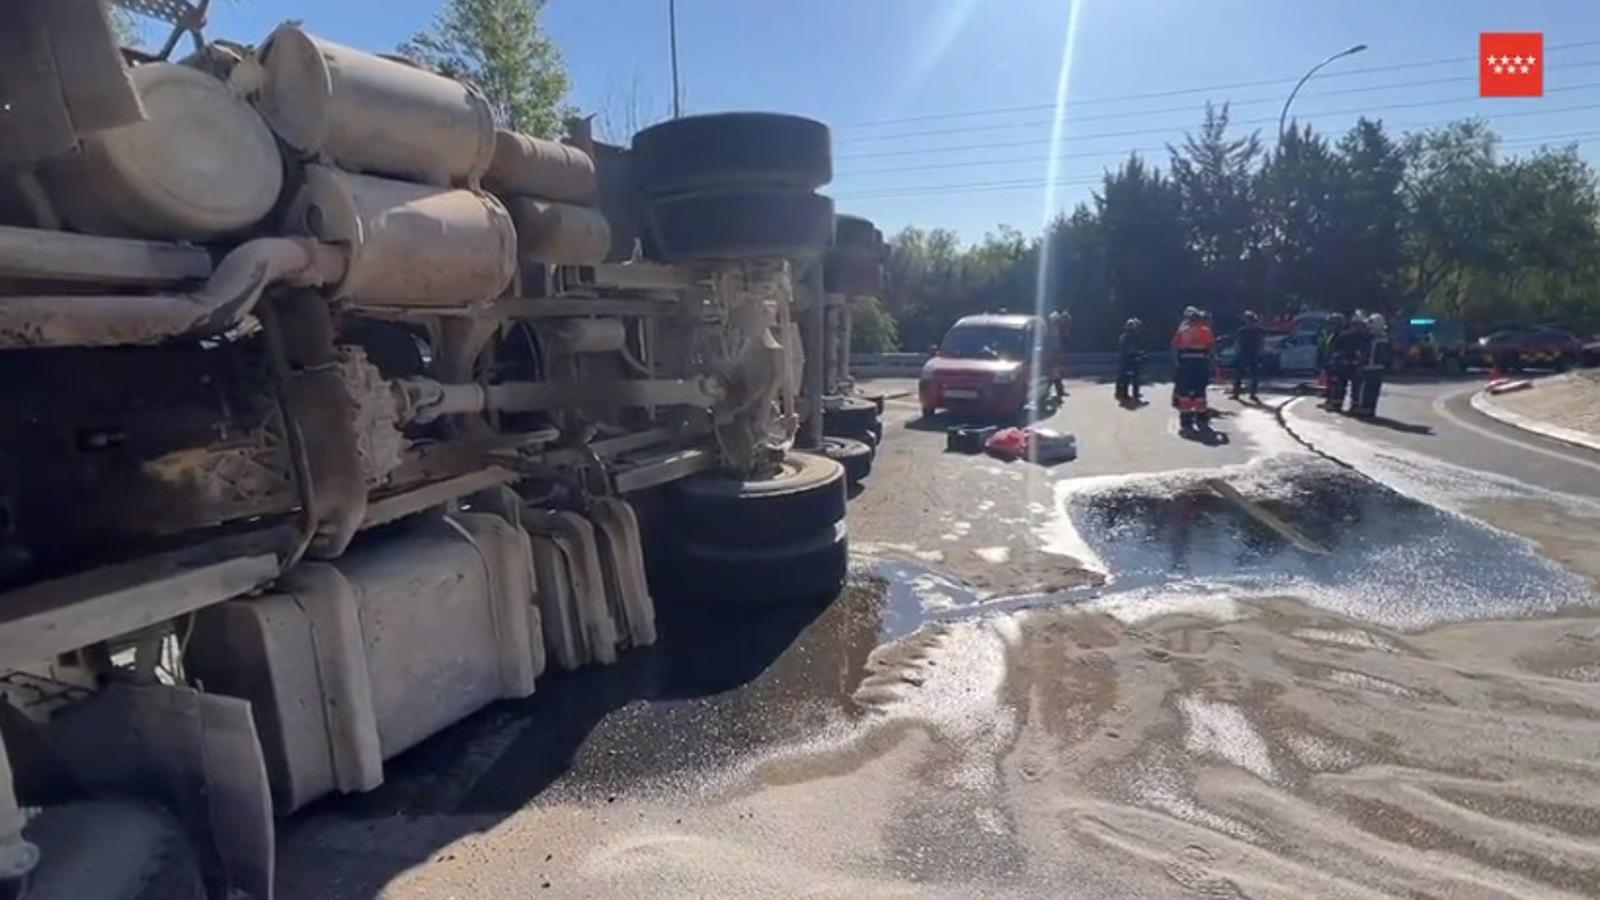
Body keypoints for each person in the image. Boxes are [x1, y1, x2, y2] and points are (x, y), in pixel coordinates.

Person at [1171, 306, 1215, 432]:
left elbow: (1175, 348)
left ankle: (1185, 420)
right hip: (1200, 365)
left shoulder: (1182, 331)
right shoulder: (1206, 331)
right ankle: (1201, 416)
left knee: (1184, 392)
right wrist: (1211, 364)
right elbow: (1211, 349)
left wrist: (1177, 363)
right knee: (1200, 391)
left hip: (1185, 365)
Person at [1351, 313, 1391, 417]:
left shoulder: (1371, 339)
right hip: (1380, 369)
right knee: (1374, 390)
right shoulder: (1384, 338)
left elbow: (1365, 353)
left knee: (1365, 389)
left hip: (1369, 367)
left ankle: (1363, 408)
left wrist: (1359, 364)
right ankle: (1370, 409)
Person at [1325, 313, 1367, 412]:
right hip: (1348, 365)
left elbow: (1336, 351)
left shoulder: (1344, 335)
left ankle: (1341, 405)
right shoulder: (1347, 335)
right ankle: (1344, 405)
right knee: (1343, 386)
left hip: (1347, 365)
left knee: (1344, 386)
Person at [1231, 310, 1265, 402]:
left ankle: (1249, 394)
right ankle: (1237, 393)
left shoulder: (1257, 330)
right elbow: (1238, 343)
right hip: (1245, 354)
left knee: (1251, 375)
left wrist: (1260, 354)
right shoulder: (1243, 330)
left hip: (1251, 354)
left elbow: (1261, 343)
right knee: (1239, 375)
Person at [1114, 318, 1144, 404]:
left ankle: (1134, 393)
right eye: (1136, 326)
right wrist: (1138, 353)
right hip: (1126, 359)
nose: (1137, 329)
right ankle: (1123, 393)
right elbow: (1128, 349)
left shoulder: (1132, 336)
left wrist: (1139, 353)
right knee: (1125, 377)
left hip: (1130, 358)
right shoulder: (1126, 336)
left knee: (1133, 377)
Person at [1048, 310, 1071, 401]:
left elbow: (1062, 341)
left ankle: (1060, 391)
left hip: (1056, 354)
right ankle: (1046, 392)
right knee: (1053, 374)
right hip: (1052, 355)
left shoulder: (1058, 331)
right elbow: (1053, 345)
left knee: (1057, 374)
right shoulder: (1051, 331)